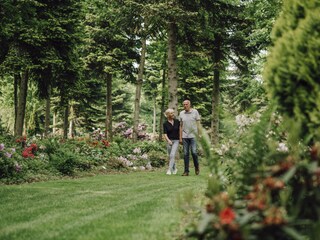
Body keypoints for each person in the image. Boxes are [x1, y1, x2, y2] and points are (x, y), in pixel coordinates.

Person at [179, 99, 201, 176]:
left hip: (193, 136)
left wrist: (199, 134)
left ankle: (196, 166)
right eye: (184, 104)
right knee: (185, 154)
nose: (185, 106)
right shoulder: (181, 113)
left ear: (189, 105)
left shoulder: (195, 112)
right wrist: (180, 138)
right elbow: (180, 126)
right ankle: (186, 171)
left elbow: (198, 124)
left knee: (194, 152)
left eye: (186, 104)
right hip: (185, 136)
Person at [163, 108, 180, 175]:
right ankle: (175, 168)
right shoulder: (165, 123)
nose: (173, 114)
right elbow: (165, 134)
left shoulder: (177, 121)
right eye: (171, 113)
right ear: (167, 115)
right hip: (169, 141)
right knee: (170, 156)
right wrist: (168, 140)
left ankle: (169, 170)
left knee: (172, 154)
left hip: (176, 140)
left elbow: (180, 130)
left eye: (173, 113)